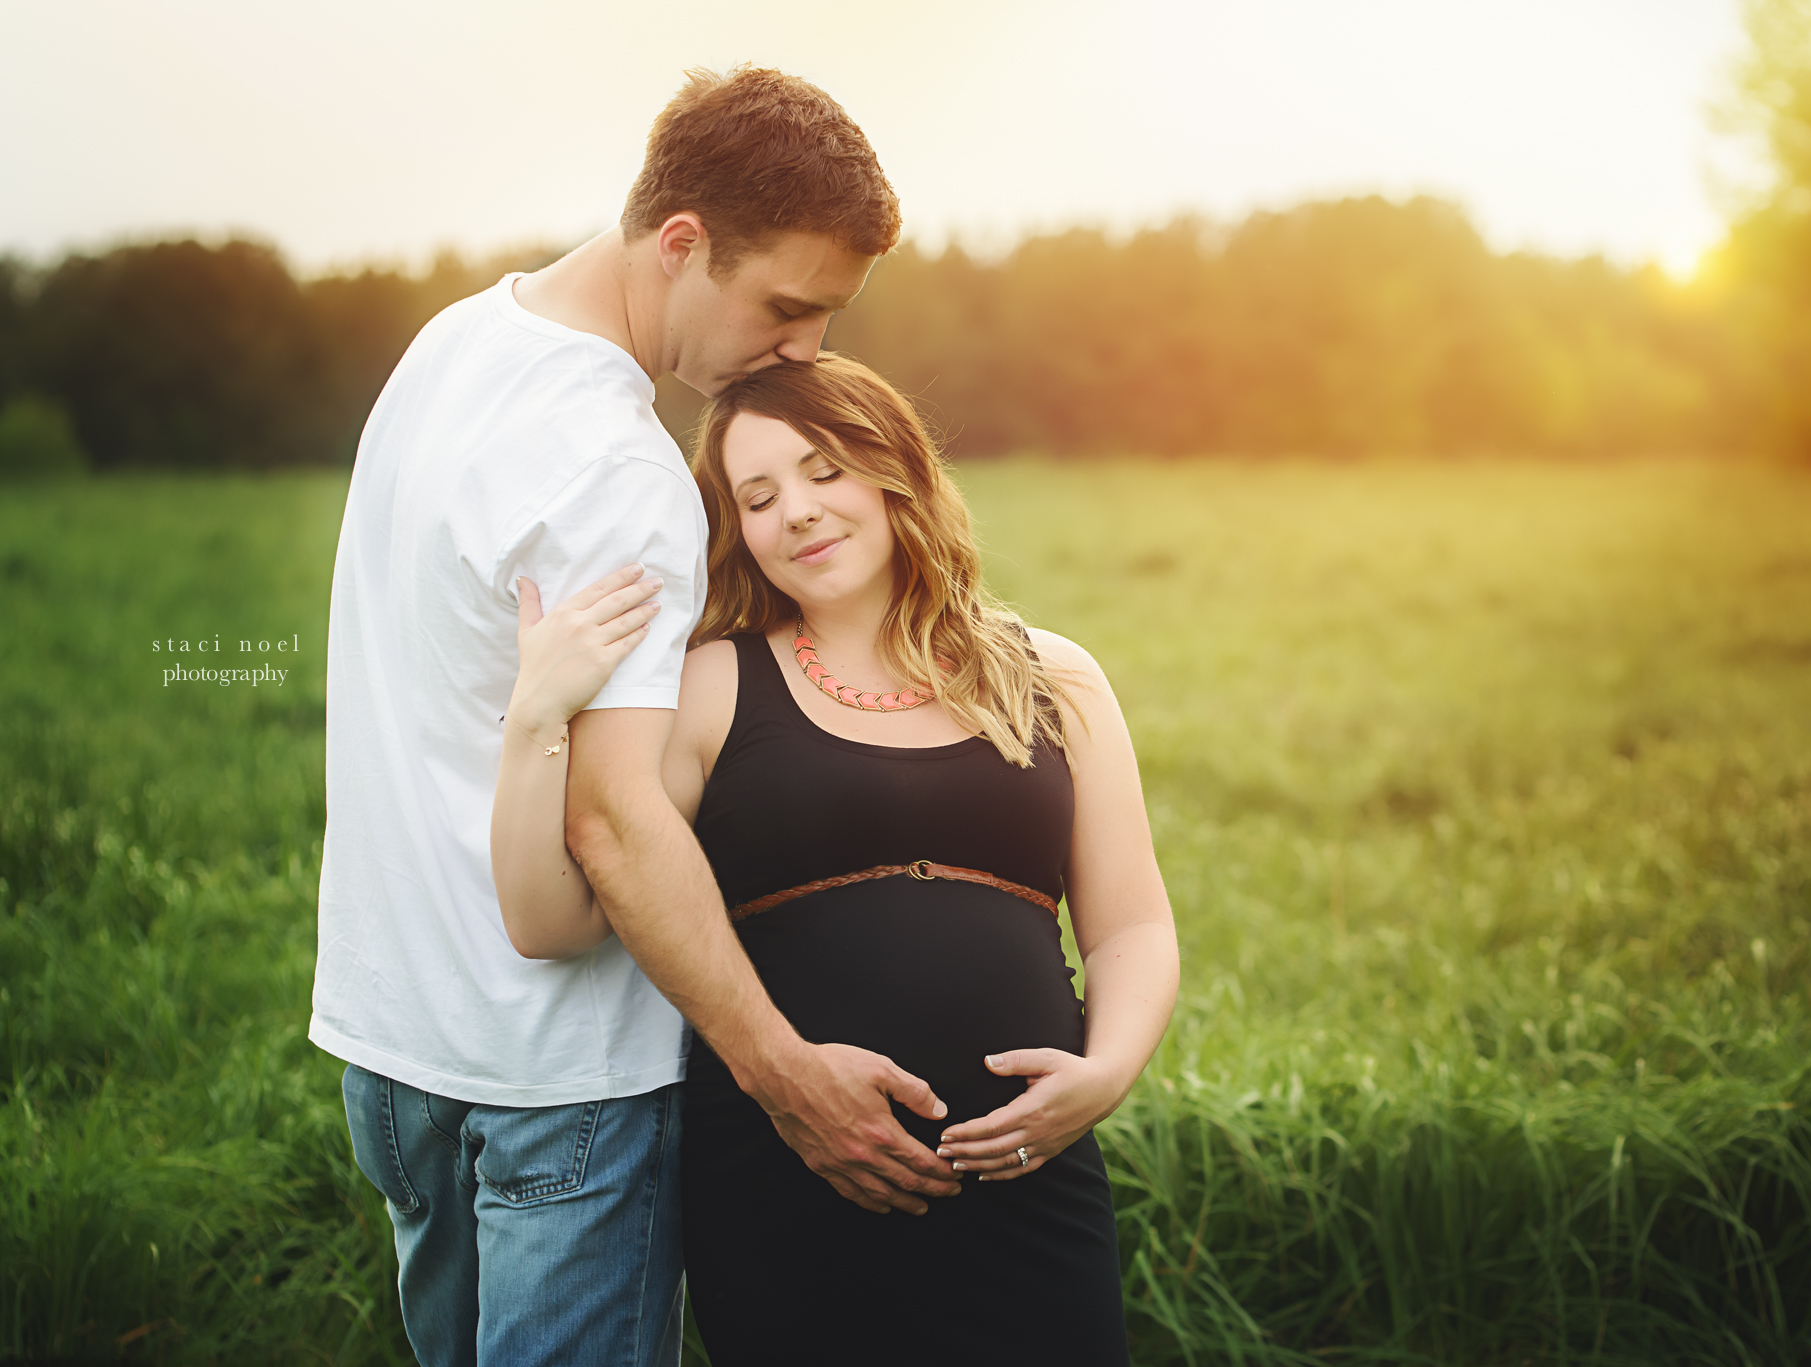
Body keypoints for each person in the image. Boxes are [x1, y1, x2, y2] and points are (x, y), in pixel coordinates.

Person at [312, 68, 962, 1367]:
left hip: (393, 1050)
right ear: (681, 244)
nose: (802, 355)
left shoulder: (451, 344)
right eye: (785, 306)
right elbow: (613, 822)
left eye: (826, 318)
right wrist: (789, 1076)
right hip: (562, 1087)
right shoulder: (622, 472)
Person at [495, 353, 1180, 1364]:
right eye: (758, 497)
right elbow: (548, 919)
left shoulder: (1055, 675)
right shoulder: (712, 685)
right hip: (785, 1180)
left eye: (823, 471)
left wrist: (1107, 1071)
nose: (797, 513)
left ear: (892, 466)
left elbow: (1131, 924)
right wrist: (535, 716)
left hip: (1030, 1185)